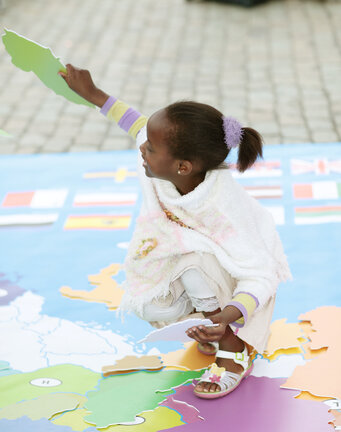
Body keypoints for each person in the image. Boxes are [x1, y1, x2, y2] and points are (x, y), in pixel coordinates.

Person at [59, 64, 291, 400]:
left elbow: (261, 276)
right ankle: (208, 329)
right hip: (188, 264)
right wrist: (93, 94)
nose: (142, 148)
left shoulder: (223, 209)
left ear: (182, 167)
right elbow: (138, 124)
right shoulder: (162, 165)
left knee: (194, 263)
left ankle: (233, 348)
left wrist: (226, 317)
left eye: (151, 148)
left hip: (234, 279)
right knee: (153, 308)